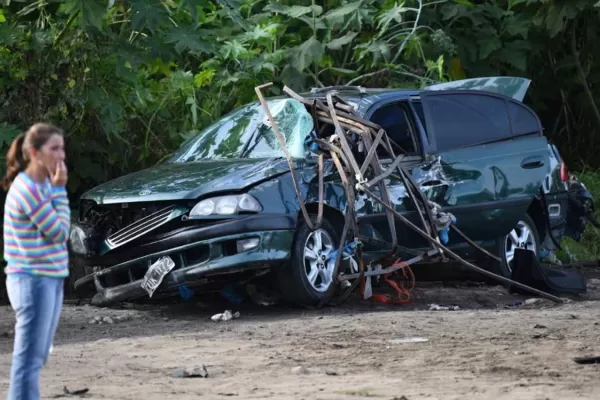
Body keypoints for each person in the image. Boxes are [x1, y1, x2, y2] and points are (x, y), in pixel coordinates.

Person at [2, 122, 70, 400]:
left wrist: (54, 190)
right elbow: (59, 232)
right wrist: (60, 191)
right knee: (28, 360)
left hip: (49, 277)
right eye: (54, 149)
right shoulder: (30, 189)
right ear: (34, 152)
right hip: (32, 280)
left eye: (62, 148)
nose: (61, 156)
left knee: (37, 356)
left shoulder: (42, 184)